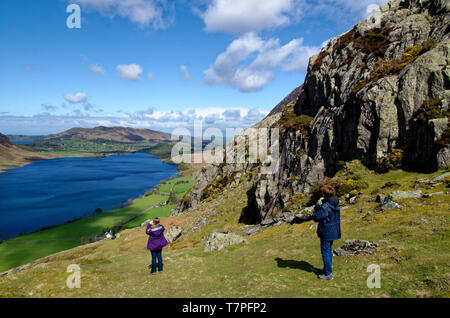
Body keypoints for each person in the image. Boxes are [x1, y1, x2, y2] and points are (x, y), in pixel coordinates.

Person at [311, 185, 341, 280]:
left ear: (324, 195)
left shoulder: (326, 206)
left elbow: (317, 217)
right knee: (328, 250)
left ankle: (328, 274)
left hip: (326, 231)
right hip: (334, 230)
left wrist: (316, 210)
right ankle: (326, 270)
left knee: (325, 252)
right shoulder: (335, 202)